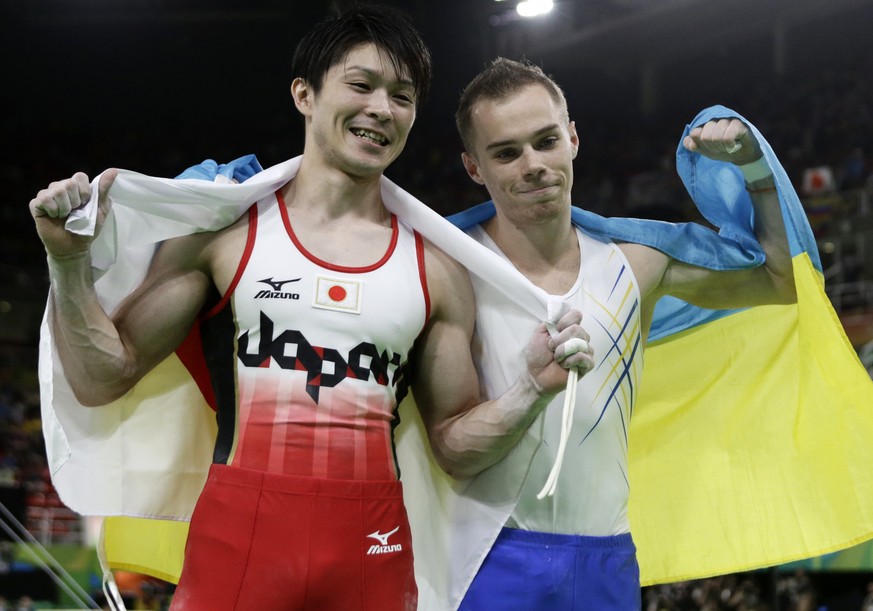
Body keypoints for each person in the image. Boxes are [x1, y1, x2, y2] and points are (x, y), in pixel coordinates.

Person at [28, 12, 589, 611]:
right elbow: (101, 377)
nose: (382, 109)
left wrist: (530, 390)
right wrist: (68, 261)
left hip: (371, 551)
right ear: (304, 93)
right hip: (238, 543)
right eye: (361, 85)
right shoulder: (226, 234)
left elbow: (453, 446)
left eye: (402, 97)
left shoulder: (437, 268)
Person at [443, 57, 796, 610]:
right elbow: (448, 447)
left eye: (546, 141)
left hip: (606, 560)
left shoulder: (638, 264)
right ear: (473, 167)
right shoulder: (449, 270)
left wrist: (755, 170)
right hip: (485, 557)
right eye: (506, 153)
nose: (533, 165)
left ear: (573, 138)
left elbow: (782, 281)